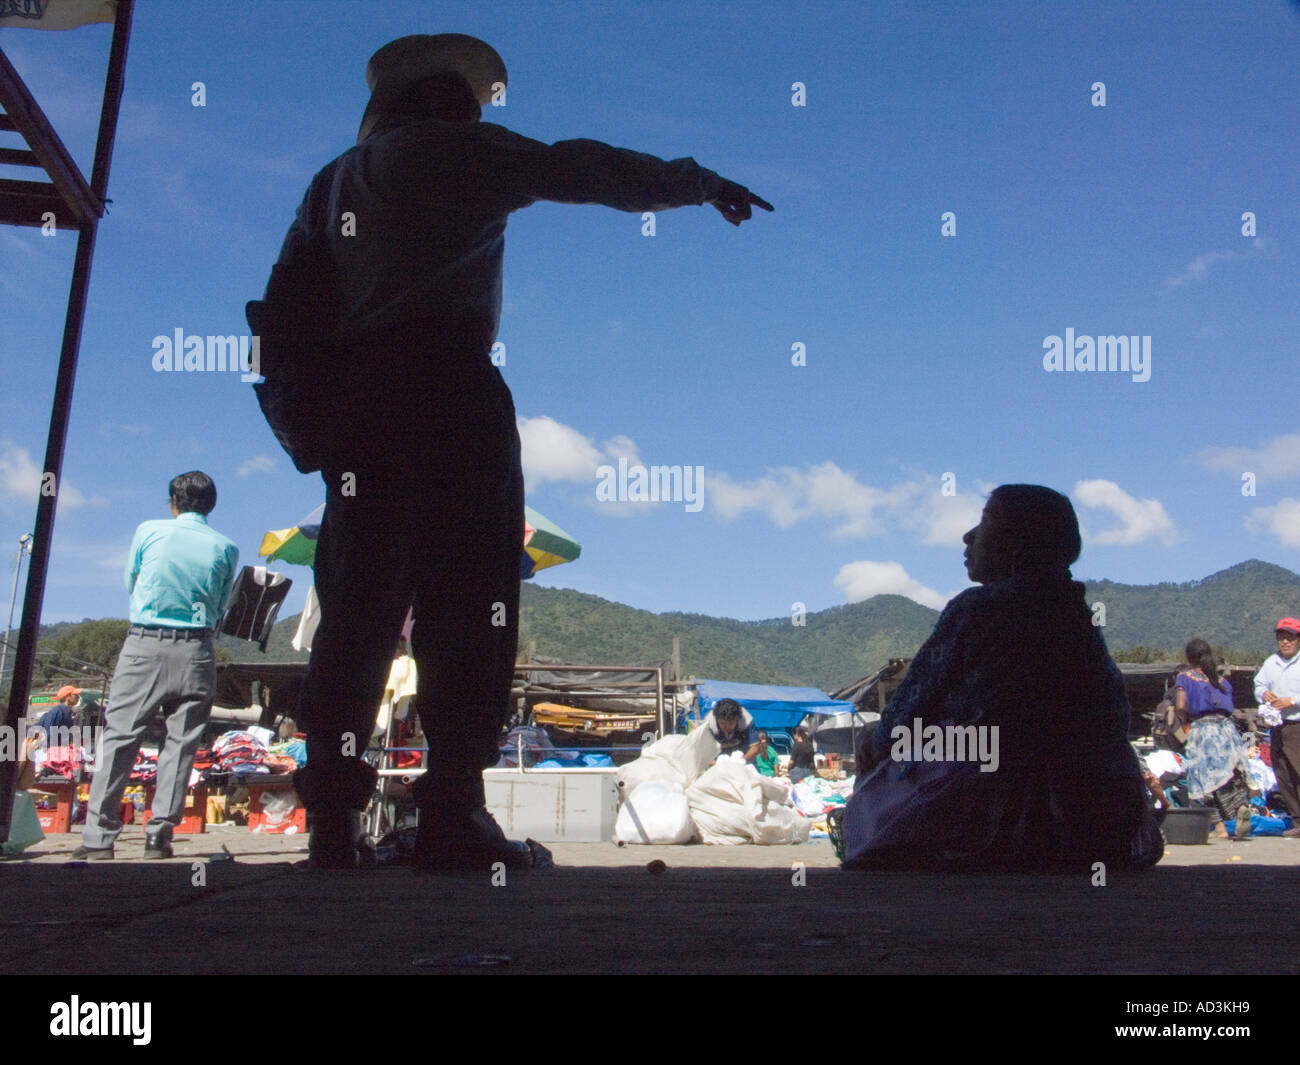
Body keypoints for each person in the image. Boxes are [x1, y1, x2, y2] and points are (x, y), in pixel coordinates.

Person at [272, 34, 773, 870]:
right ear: (452, 104)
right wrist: (696, 182)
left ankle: (332, 817)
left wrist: (311, 423)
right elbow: (581, 166)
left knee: (355, 607)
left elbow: (286, 302)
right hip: (449, 388)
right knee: (469, 600)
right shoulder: (462, 150)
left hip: (358, 405)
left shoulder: (332, 184)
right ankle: (451, 811)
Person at [841, 484, 1162, 871]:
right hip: (1099, 822)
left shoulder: (978, 608)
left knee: (899, 750)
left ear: (1017, 542)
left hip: (1002, 820)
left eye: (986, 521)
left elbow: (903, 716)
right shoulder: (1078, 618)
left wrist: (875, 749)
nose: (968, 536)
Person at [73, 472, 238, 860]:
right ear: (211, 505)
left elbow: (133, 581)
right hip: (198, 649)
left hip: (145, 643)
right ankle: (158, 836)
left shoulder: (149, 531)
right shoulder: (226, 546)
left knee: (121, 737)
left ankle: (98, 838)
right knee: (181, 745)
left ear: (173, 501)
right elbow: (223, 602)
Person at [1176, 638, 1251, 839]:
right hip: (1227, 730)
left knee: (1204, 781)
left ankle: (1219, 828)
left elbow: (1181, 705)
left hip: (1203, 730)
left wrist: (1184, 722)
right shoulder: (1223, 682)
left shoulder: (1185, 678)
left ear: (1189, 658)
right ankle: (1241, 805)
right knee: (1228, 776)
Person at [1254, 617, 1300, 838]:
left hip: (1298, 725)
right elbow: (1259, 684)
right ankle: (1297, 821)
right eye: (1282, 637)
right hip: (1278, 726)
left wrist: (1292, 700)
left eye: (1290, 637)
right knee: (1283, 773)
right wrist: (1264, 693)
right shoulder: (1271, 662)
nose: (1285, 642)